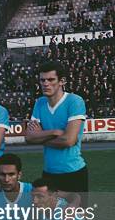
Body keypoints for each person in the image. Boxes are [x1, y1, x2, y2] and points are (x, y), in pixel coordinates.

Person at [24, 60, 88, 195]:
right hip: (48, 173)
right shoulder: (40, 103)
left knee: (76, 216)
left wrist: (41, 136)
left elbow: (68, 141)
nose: (45, 83)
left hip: (73, 172)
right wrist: (55, 132)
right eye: (42, 80)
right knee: (49, 216)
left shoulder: (74, 101)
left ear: (62, 81)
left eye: (51, 79)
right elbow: (29, 137)